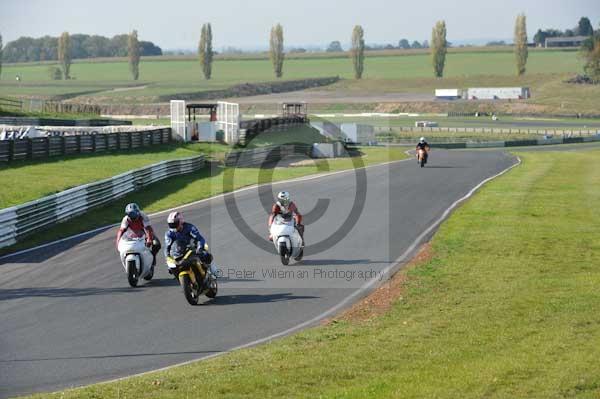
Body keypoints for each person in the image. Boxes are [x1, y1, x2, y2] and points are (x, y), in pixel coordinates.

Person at [164, 211, 216, 277]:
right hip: (178, 254)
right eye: (171, 224)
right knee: (170, 268)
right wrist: (167, 256)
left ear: (180, 221)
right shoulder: (169, 234)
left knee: (206, 255)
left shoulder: (190, 228)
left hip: (192, 249)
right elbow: (167, 247)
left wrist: (199, 248)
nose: (173, 226)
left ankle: (213, 270)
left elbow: (200, 239)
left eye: (175, 223)